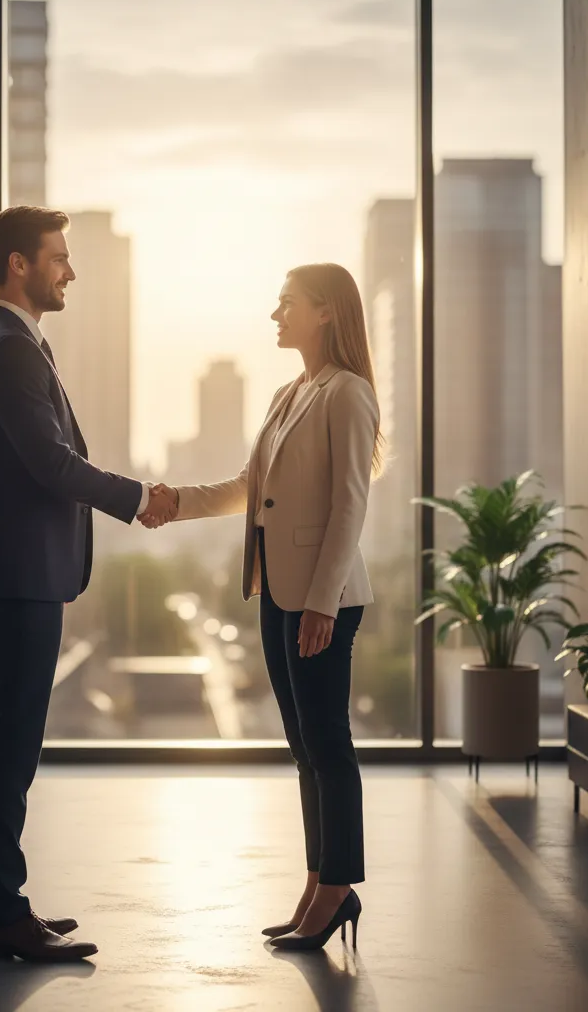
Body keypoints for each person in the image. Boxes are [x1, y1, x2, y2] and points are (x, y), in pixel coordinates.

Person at [0, 205, 175, 963]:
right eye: (58, 257)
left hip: (10, 567)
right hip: (18, 572)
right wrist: (138, 498)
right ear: (18, 264)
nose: (70, 270)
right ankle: (2, 912)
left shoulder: (5, 342)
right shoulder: (9, 348)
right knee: (9, 746)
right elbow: (52, 464)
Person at [141, 263, 381, 951]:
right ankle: (319, 883)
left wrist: (323, 602)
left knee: (328, 744)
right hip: (277, 590)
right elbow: (252, 486)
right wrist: (176, 502)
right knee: (305, 748)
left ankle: (337, 889)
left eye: (287, 303)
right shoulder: (289, 393)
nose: (276, 315)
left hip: (320, 597)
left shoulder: (348, 392)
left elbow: (349, 505)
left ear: (326, 312)